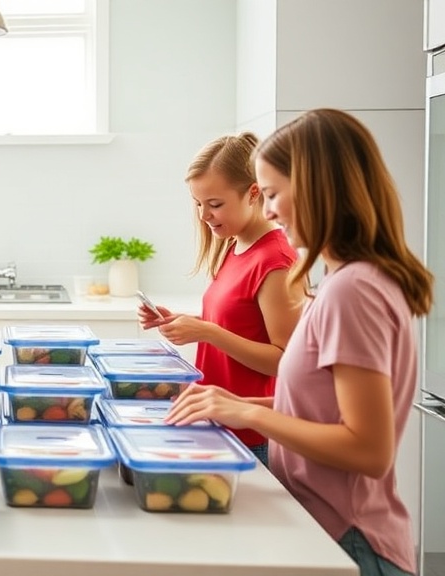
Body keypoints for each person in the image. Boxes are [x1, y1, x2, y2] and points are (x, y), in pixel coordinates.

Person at [167, 109, 433, 576]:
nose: (267, 211)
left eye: (271, 194)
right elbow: (321, 407)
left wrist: (247, 413)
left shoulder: (354, 290)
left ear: (317, 189)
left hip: (352, 538)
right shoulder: (347, 281)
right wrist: (237, 400)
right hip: (329, 527)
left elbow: (369, 450)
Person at [138, 132, 304, 466]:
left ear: (253, 194)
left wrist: (207, 333)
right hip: (216, 422)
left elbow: (285, 361)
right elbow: (240, 325)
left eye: (214, 204)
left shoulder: (275, 261)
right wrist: (187, 322)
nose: (203, 215)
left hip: (249, 435)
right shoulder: (235, 245)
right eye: (198, 204)